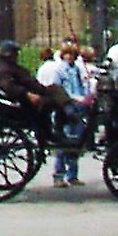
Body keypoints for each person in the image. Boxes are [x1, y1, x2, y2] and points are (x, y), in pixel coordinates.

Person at [45, 43, 89, 187]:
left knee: (76, 142)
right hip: (64, 108)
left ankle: (73, 175)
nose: (70, 57)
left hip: (77, 107)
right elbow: (57, 89)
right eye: (67, 54)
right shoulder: (59, 69)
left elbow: (80, 86)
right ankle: (58, 175)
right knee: (63, 143)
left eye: (72, 54)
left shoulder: (75, 69)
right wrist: (73, 97)